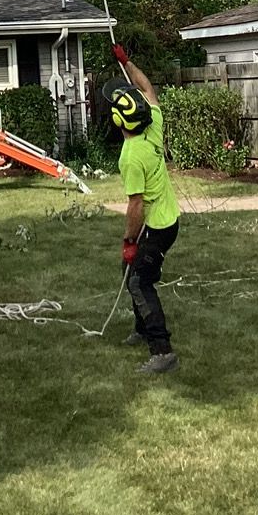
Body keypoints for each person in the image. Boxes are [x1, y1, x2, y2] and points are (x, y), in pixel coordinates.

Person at [103, 44, 181, 374]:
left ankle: (162, 351)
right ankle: (141, 327)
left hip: (156, 227)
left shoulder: (131, 156)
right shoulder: (154, 124)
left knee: (138, 282)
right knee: (130, 273)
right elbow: (147, 87)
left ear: (119, 120)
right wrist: (126, 62)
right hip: (169, 218)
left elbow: (136, 206)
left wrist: (129, 241)